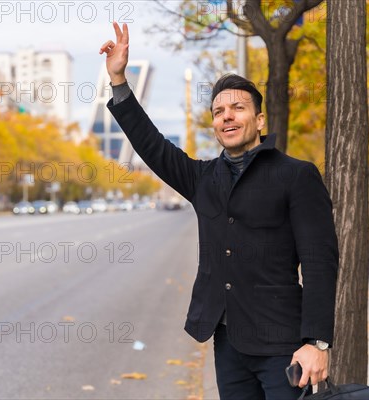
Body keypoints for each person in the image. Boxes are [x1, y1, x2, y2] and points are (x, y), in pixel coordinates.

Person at [99, 22, 338, 399]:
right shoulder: (203, 178)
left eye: (238, 108)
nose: (227, 116)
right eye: (219, 111)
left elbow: (320, 261)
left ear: (259, 120)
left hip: (285, 346)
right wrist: (118, 80)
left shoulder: (296, 175)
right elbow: (153, 146)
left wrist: (318, 343)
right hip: (227, 342)